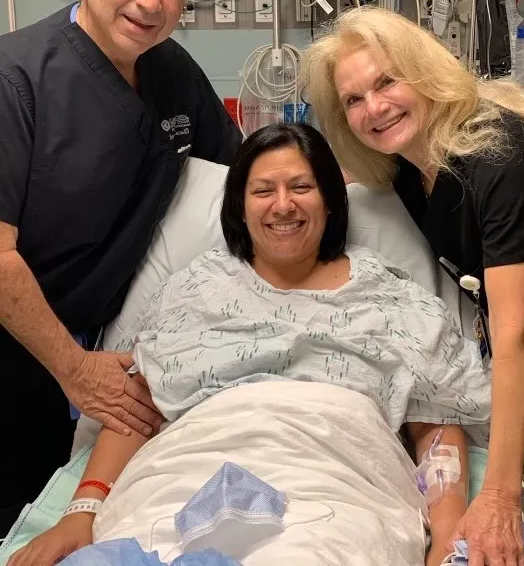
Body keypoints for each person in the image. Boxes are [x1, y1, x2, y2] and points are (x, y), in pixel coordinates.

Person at [7, 123, 490, 566]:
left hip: (336, 481)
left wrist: (447, 538)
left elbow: (437, 420)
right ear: (239, 206)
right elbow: (137, 405)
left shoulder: (388, 296)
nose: (283, 206)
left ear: (330, 201)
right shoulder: (197, 289)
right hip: (185, 473)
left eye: (301, 187)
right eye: (263, 191)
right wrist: (82, 513)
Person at [301, 5, 524, 563]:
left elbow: (516, 332)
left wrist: (499, 497)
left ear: (423, 72)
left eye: (386, 82)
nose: (375, 108)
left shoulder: (499, 160)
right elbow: (338, 172)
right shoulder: (411, 161)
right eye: (354, 100)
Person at [0, 0, 242, 535]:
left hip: (107, 345)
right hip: (19, 348)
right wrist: (75, 370)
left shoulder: (173, 72)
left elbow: (240, 175)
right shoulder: (16, 80)